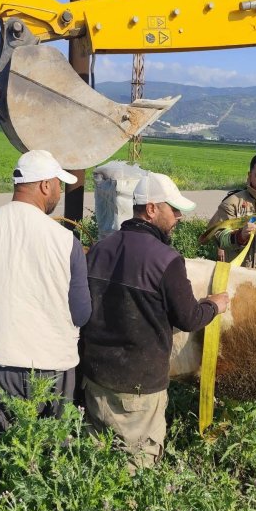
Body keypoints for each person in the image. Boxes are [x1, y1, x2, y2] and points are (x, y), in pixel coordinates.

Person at [81, 171, 229, 472]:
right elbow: (188, 318)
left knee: (96, 463)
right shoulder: (166, 259)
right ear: (151, 209)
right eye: (173, 210)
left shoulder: (99, 249)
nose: (178, 217)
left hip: (95, 378)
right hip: (139, 388)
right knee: (136, 468)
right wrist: (214, 305)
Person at [0, 149, 91, 434]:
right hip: (53, 366)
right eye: (58, 185)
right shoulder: (65, 241)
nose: (59, 193)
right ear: (44, 185)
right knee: (51, 456)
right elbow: (81, 313)